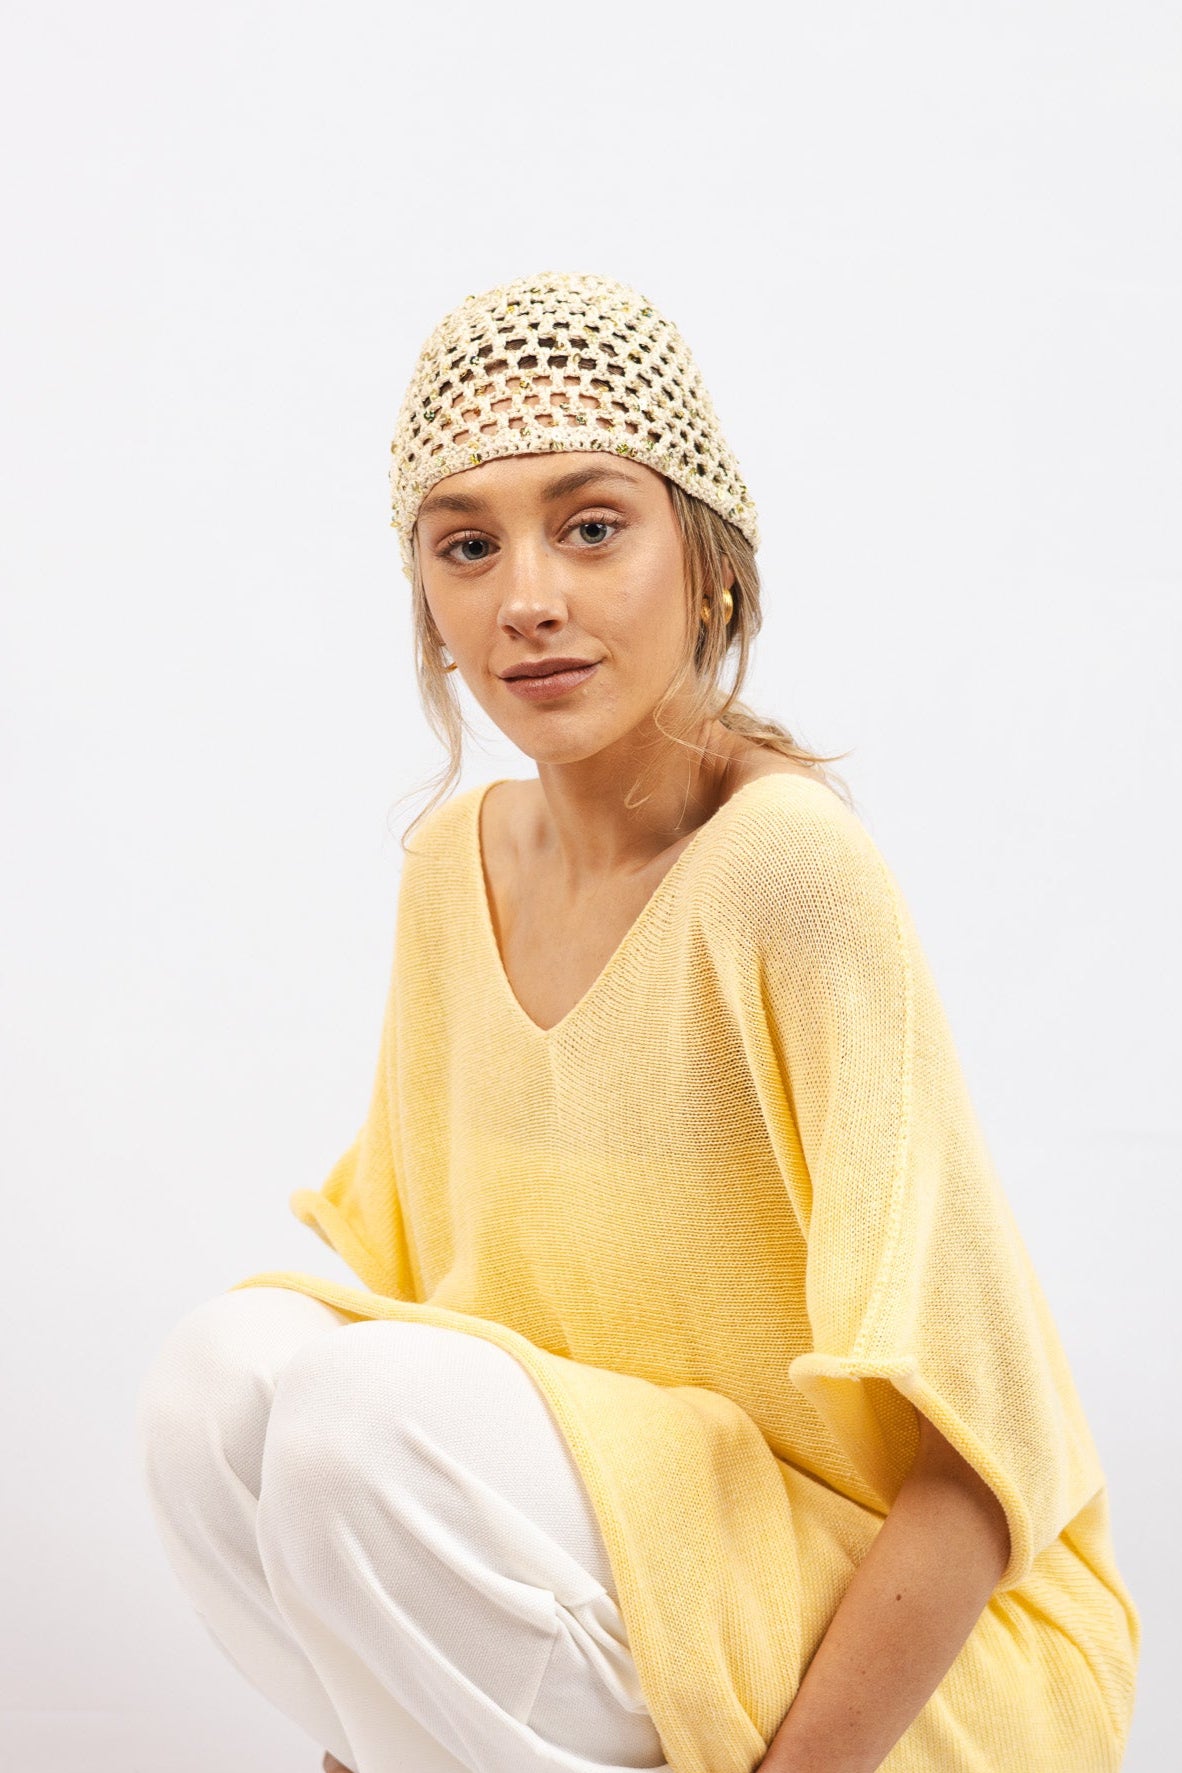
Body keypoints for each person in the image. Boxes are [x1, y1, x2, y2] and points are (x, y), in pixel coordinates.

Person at [135, 270, 1140, 1773]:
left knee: (355, 1412)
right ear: (430, 605)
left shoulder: (785, 868)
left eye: (591, 526)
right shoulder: (451, 870)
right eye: (467, 545)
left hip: (902, 1655)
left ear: (708, 562)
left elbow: (979, 1470)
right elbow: (440, 1395)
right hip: (628, 1574)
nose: (526, 597)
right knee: (221, 1385)